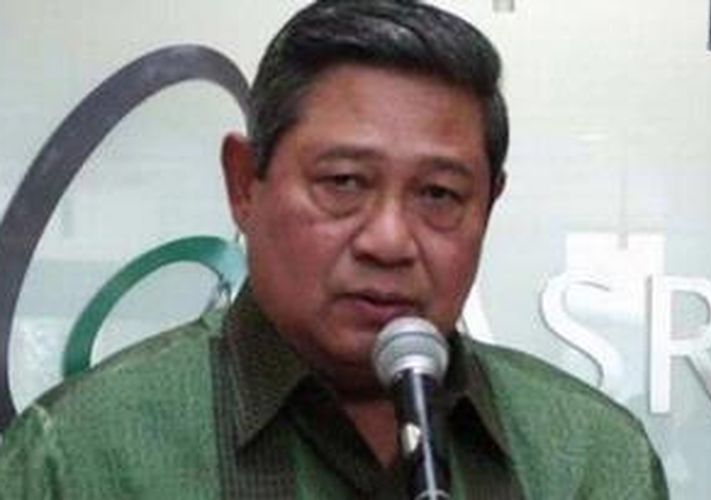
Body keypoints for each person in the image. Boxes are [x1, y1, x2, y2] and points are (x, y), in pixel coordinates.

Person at [0, 0, 668, 498]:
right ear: (245, 184)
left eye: (439, 194)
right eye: (344, 182)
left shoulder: (590, 458)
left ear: (488, 207)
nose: (389, 241)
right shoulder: (83, 456)